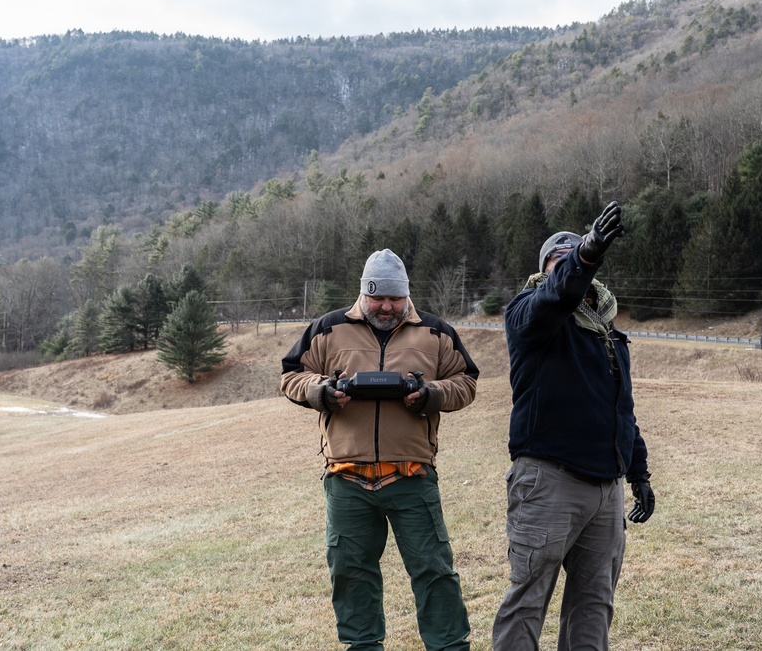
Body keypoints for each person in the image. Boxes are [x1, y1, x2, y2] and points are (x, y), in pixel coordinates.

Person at [280, 248, 479, 651]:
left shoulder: (436, 331)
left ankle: (450, 646)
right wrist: (322, 392)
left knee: (434, 571)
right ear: (363, 293)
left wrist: (429, 394)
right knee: (351, 574)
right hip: (346, 479)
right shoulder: (327, 329)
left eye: (394, 298)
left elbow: (466, 382)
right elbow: (291, 374)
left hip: (412, 477)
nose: (386, 306)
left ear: (407, 295)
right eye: (377, 297)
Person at [492, 201, 655, 650]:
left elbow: (622, 410)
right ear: (546, 271)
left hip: (606, 489)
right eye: (558, 260)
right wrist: (585, 252)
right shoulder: (529, 314)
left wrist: (638, 474)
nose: (569, 264)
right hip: (549, 480)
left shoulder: (608, 334)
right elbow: (554, 298)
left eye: (576, 257)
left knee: (594, 602)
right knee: (527, 600)